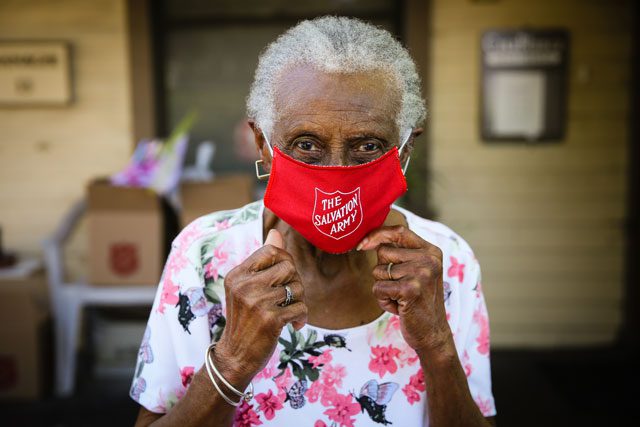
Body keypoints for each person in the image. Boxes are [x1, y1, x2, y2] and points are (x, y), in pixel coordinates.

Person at [131, 16, 496, 427]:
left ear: (406, 146)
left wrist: (436, 343)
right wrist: (233, 361)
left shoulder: (446, 264)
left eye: (368, 146)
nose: (337, 172)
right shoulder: (203, 255)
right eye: (306, 144)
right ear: (263, 146)